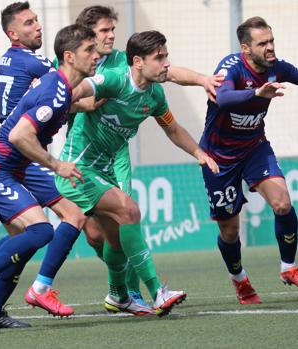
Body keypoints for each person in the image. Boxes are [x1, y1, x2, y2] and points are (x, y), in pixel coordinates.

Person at [25, 5, 223, 316]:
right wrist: (62, 101)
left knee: (115, 235)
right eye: (159, 58)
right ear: (139, 62)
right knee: (127, 211)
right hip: (78, 168)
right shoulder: (114, 79)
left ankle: (119, 294)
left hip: (104, 166)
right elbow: (74, 90)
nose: (166, 63)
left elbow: (172, 128)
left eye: (165, 56)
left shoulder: (154, 94)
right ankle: (156, 290)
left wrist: (199, 152)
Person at [0, 1, 93, 321]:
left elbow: (72, 100)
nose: (38, 27)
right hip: (12, 161)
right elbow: (26, 128)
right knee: (46, 229)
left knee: (30, 236)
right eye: (28, 23)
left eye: (37, 21)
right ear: (13, 33)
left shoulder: (14, 62)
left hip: (17, 159)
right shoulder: (43, 71)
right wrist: (57, 164)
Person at [200, 16, 298, 304]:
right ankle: (239, 279)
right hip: (219, 157)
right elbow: (225, 98)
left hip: (255, 148)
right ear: (246, 49)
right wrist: (256, 92)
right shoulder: (230, 67)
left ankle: (289, 267)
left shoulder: (275, 67)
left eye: (271, 41)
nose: (270, 48)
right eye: (263, 43)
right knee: (229, 230)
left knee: (282, 202)